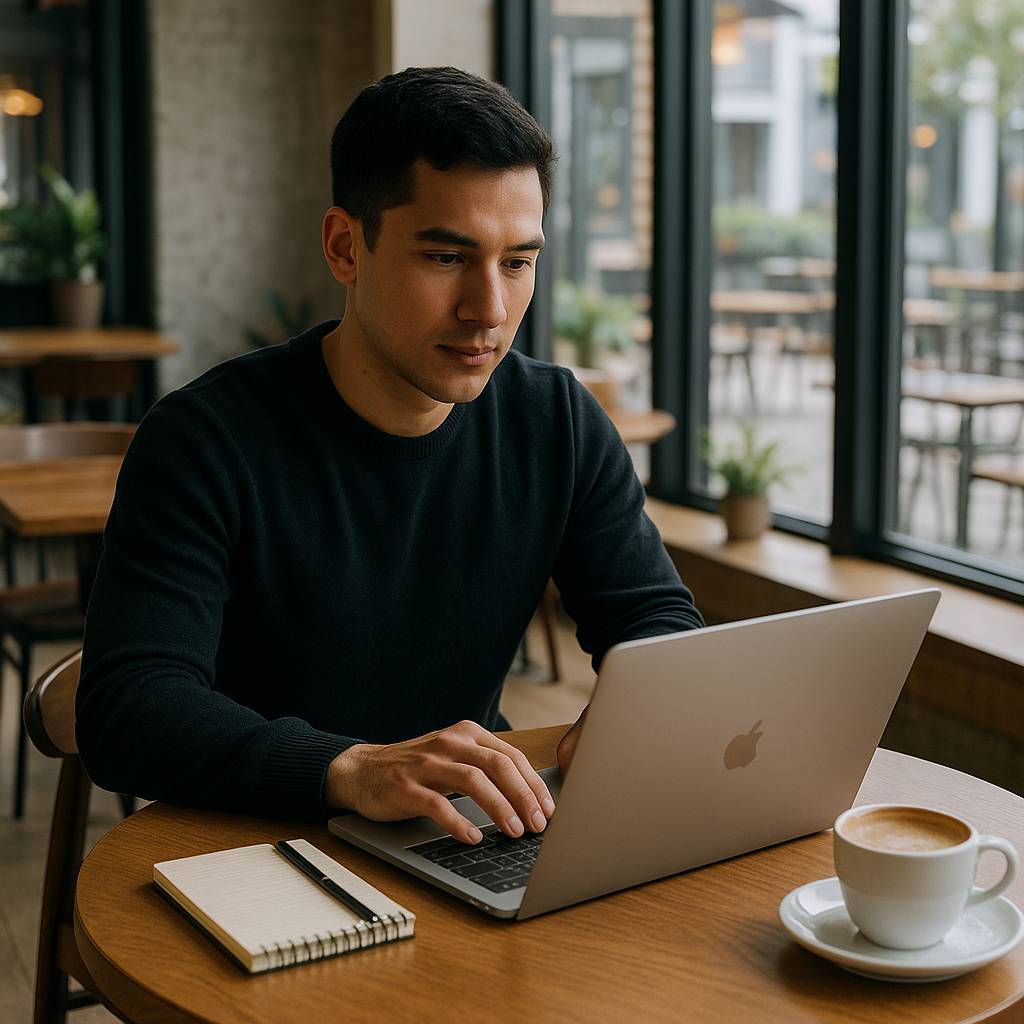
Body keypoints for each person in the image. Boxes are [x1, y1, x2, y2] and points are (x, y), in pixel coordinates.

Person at [76, 66, 703, 846]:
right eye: (446, 259)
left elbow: (653, 615)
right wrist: (349, 767)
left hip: (461, 832)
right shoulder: (203, 441)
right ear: (346, 246)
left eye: (517, 262)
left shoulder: (558, 420)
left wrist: (634, 703)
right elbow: (128, 708)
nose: (490, 311)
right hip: (253, 842)